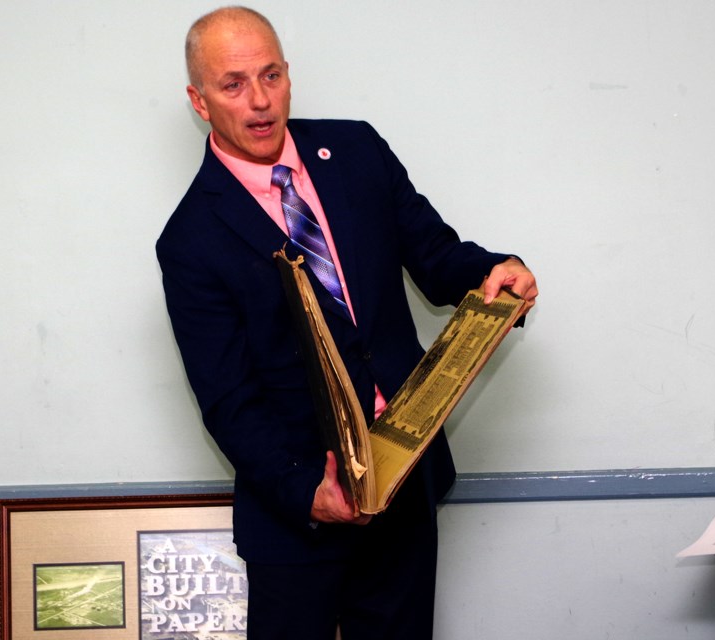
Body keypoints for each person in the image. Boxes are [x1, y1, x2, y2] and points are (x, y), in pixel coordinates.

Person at [155, 6, 538, 640]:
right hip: (297, 520)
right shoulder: (190, 239)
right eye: (233, 84)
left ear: (288, 76)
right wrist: (308, 490)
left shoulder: (356, 149)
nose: (259, 101)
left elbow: (439, 257)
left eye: (271, 76)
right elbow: (228, 401)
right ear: (199, 100)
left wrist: (498, 269)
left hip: (405, 488)